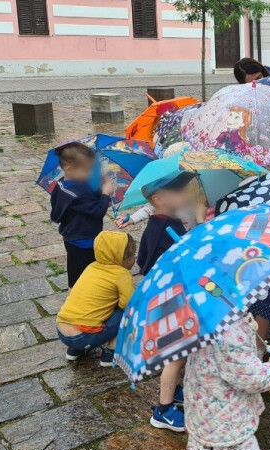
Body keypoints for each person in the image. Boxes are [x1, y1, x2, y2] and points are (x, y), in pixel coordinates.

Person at [168, 315, 270, 450]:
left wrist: (247, 324)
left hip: (204, 411)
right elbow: (250, 378)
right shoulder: (229, 332)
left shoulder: (199, 319)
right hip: (227, 421)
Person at [137, 170, 198, 433]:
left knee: (180, 354)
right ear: (159, 198)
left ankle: (175, 391)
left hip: (167, 297)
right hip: (169, 301)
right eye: (179, 191)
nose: (185, 195)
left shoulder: (161, 224)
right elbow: (152, 264)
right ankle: (163, 410)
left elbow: (143, 262)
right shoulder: (165, 227)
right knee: (176, 357)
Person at [56, 231, 136, 366]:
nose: (134, 259)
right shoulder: (121, 274)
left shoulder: (91, 267)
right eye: (132, 255)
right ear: (121, 257)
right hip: (84, 335)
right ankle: (111, 352)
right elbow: (128, 303)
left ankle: (75, 350)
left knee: (89, 309)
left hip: (62, 330)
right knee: (130, 313)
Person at [49, 142, 114, 288]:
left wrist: (101, 183)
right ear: (69, 169)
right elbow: (97, 212)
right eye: (88, 169)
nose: (91, 173)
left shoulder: (66, 184)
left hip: (76, 236)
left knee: (81, 272)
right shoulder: (74, 194)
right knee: (81, 276)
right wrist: (105, 193)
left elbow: (90, 196)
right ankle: (77, 299)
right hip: (83, 240)